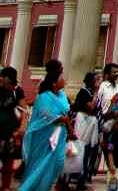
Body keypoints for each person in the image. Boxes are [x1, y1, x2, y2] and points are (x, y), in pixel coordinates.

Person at [21, 60, 74, 191]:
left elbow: (66, 113)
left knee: (57, 163)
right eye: (61, 75)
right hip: (46, 135)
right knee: (41, 164)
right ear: (54, 82)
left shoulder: (62, 95)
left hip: (60, 135)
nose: (64, 77)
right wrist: (63, 120)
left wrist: (68, 126)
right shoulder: (44, 96)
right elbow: (46, 113)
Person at [72, 71, 101, 189]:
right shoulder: (85, 92)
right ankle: (77, 176)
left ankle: (83, 177)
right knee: (81, 149)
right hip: (83, 122)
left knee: (89, 150)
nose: (100, 82)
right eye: (97, 79)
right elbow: (91, 107)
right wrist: (95, 93)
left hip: (91, 123)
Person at [0, 66, 26, 191]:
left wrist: (22, 127)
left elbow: (24, 110)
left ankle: (5, 186)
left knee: (8, 161)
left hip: (9, 132)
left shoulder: (17, 91)